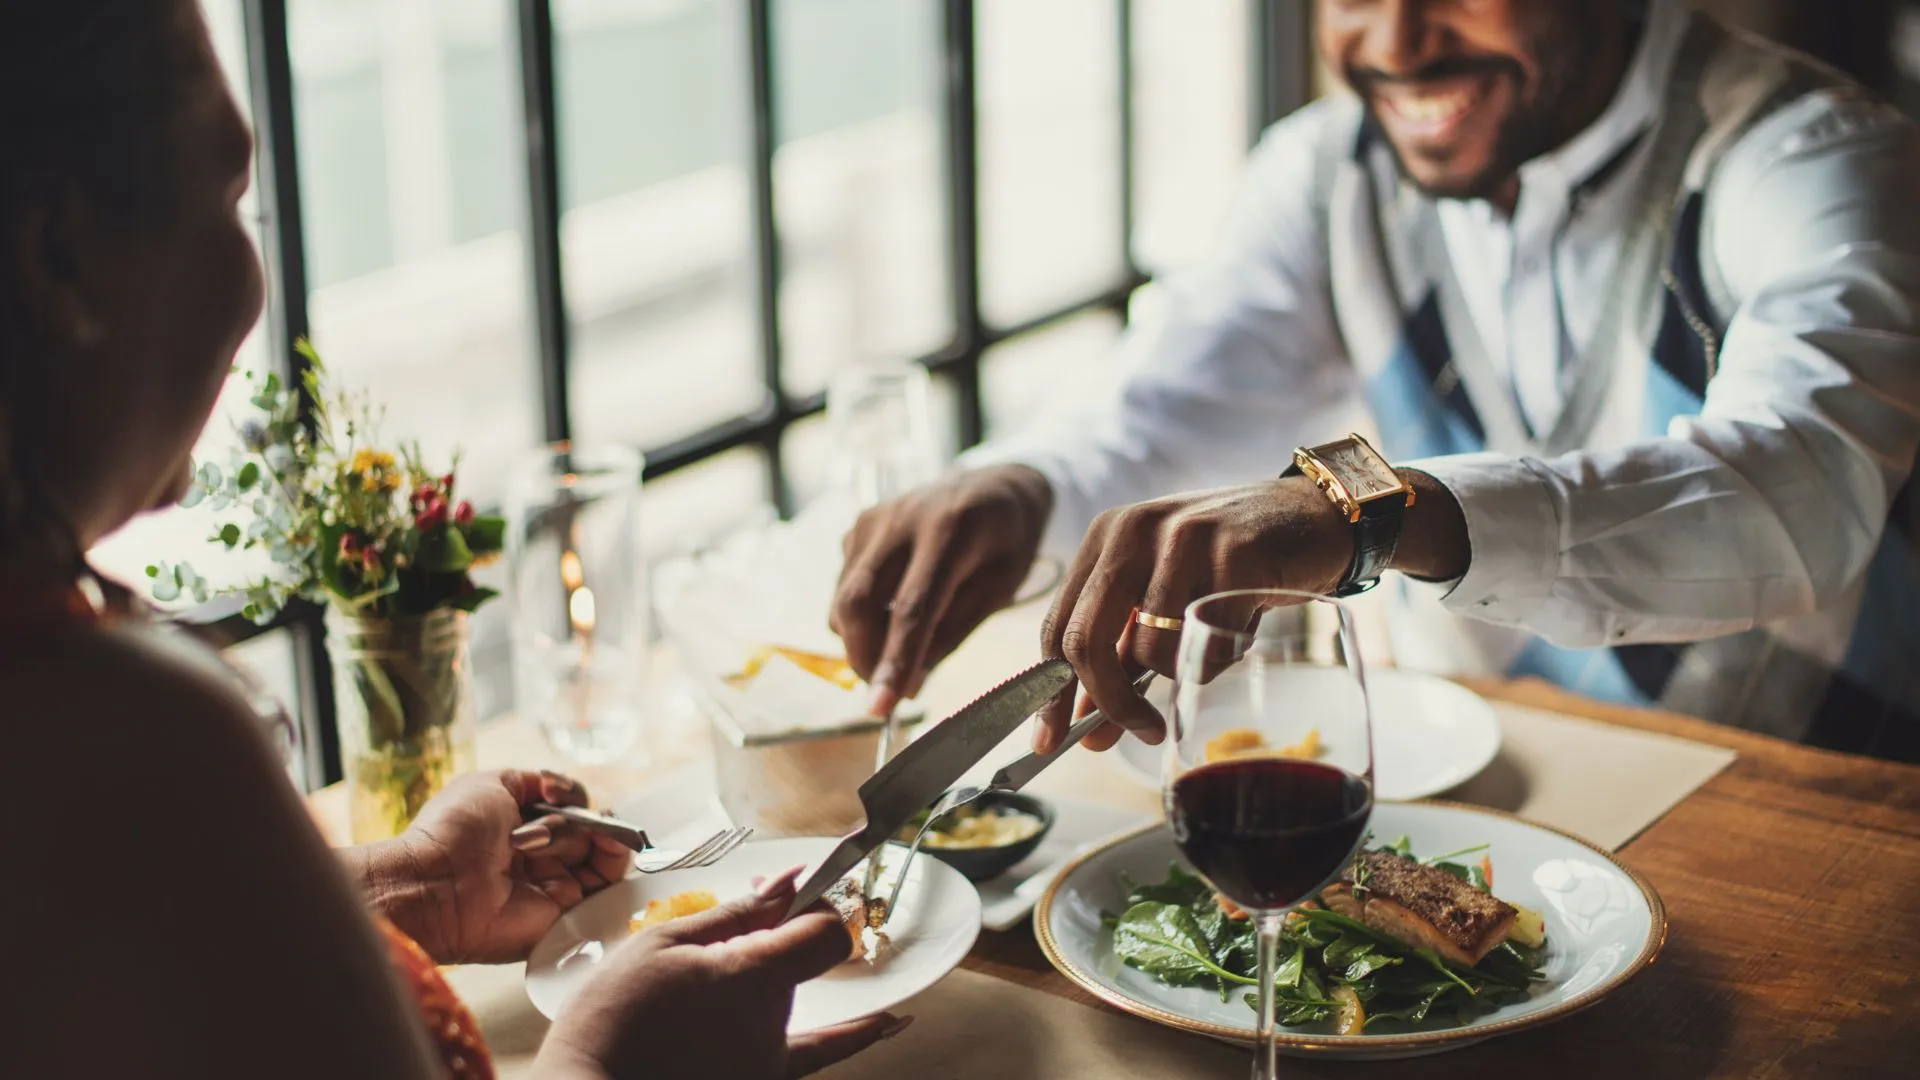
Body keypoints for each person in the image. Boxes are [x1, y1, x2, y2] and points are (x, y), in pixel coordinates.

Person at [0, 3, 901, 1077]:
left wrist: (405, 891)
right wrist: (605, 1065)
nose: (253, 293)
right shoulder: (129, 728)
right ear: (58, 255)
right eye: (236, 199)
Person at [833, 0, 1920, 762]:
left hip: (1829, 802)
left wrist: (1373, 516)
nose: (1395, 41)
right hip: (1497, 795)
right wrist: (1022, 483)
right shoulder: (1328, 171)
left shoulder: (1816, 159)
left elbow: (1799, 488)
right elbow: (1167, 404)